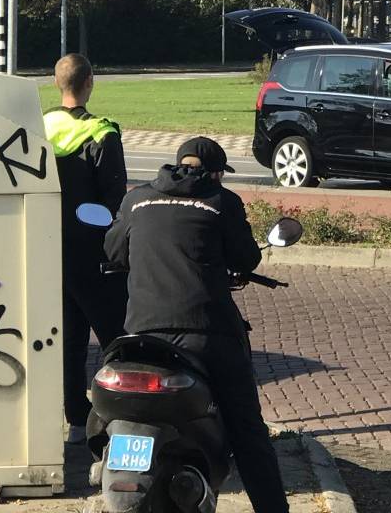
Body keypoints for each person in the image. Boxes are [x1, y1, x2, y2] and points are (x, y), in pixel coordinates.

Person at [103, 137, 288, 513]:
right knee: (248, 431)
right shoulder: (222, 202)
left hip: (143, 338)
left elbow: (113, 252)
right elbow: (246, 256)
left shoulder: (136, 200)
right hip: (207, 333)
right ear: (216, 172)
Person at [44, 54, 130, 444]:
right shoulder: (102, 133)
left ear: (55, 84)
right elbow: (113, 203)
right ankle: (124, 416)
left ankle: (75, 419)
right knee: (116, 338)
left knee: (68, 340)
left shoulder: (38, 129)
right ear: (90, 83)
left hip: (47, 249)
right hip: (90, 252)